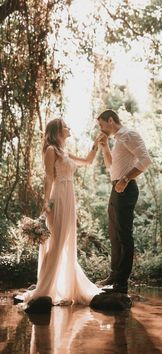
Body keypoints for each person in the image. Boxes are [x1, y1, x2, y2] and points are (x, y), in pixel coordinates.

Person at [23, 118, 102, 305]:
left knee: (66, 240)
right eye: (66, 126)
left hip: (69, 197)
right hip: (57, 197)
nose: (69, 128)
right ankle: (44, 289)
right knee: (56, 242)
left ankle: (65, 287)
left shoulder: (64, 151)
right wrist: (46, 205)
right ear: (58, 131)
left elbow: (88, 161)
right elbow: (49, 178)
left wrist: (96, 144)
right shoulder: (51, 150)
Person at [97, 110, 152, 294]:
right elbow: (111, 166)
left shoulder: (129, 134)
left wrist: (126, 179)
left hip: (126, 189)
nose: (101, 129)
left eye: (101, 125)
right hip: (116, 188)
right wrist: (104, 147)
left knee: (124, 235)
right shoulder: (118, 140)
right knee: (114, 234)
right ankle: (114, 275)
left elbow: (146, 160)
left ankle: (121, 283)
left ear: (110, 120)